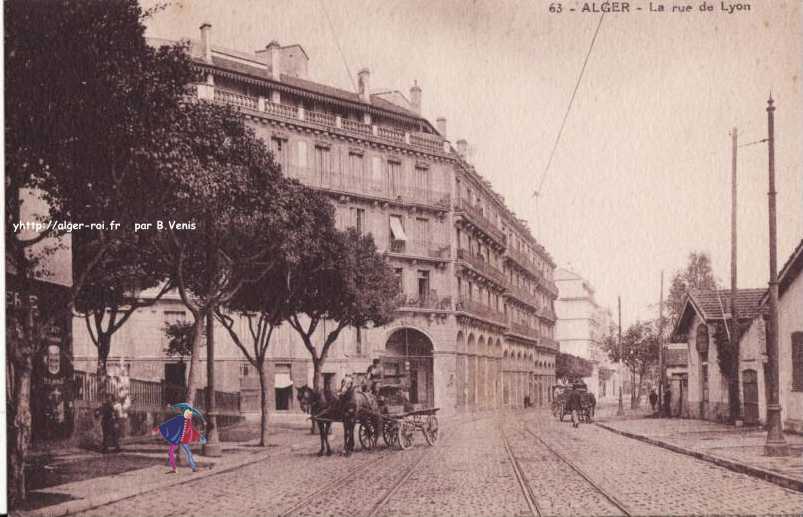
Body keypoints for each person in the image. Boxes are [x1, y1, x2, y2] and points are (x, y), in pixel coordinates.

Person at [153, 403, 207, 473]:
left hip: (183, 440)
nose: (189, 414)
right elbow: (169, 424)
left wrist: (200, 437)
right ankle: (174, 469)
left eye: (190, 413)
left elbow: (192, 431)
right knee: (171, 452)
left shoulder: (188, 422)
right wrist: (158, 429)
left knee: (188, 453)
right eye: (188, 413)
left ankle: (194, 468)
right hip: (177, 439)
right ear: (185, 413)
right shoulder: (179, 418)